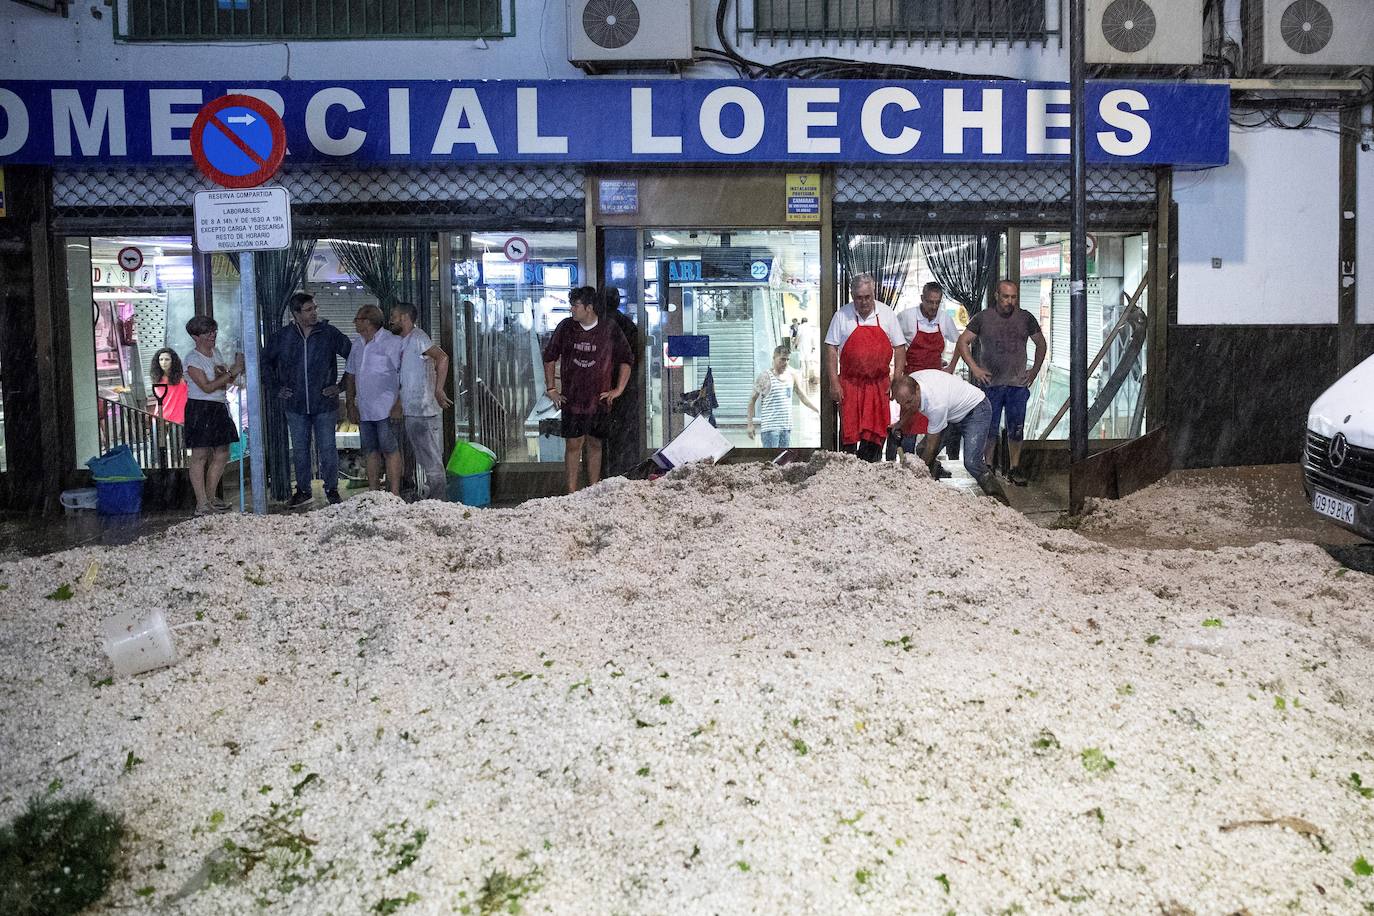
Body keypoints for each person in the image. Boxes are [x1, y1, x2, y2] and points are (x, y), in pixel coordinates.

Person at [262, 292, 352, 508]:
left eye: (315, 308)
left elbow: (354, 357)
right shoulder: (283, 337)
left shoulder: (328, 333)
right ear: (296, 314)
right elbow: (264, 363)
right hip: (295, 404)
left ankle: (332, 489)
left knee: (328, 448)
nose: (314, 313)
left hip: (324, 404)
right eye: (309, 310)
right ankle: (303, 490)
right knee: (300, 449)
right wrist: (275, 388)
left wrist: (339, 386)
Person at [955, 280, 1047, 486]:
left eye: (1013, 297)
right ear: (997, 295)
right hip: (991, 384)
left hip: (1016, 384)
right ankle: (988, 466)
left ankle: (1014, 467)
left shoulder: (1025, 318)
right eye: (1006, 297)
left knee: (1016, 428)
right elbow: (962, 342)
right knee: (990, 428)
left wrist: (1034, 371)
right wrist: (975, 369)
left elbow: (1041, 344)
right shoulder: (983, 318)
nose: (1010, 301)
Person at [542, 285, 633, 494]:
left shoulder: (609, 329)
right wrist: (551, 388)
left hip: (599, 400)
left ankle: (593, 489)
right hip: (572, 399)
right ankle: (572, 492)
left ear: (589, 308)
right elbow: (550, 356)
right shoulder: (566, 327)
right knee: (573, 445)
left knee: (595, 444)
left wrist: (618, 389)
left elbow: (626, 359)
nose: (572, 310)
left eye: (575, 306)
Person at [824, 274, 907, 462]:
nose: (863, 302)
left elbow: (900, 348)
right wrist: (834, 382)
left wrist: (897, 380)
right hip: (850, 385)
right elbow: (831, 348)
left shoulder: (887, 314)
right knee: (849, 436)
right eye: (859, 298)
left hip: (878, 386)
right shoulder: (841, 316)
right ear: (853, 296)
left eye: (867, 297)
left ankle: (871, 472)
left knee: (875, 436)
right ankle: (847, 476)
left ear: (874, 293)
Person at [890, 370, 1006, 502]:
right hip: (952, 412)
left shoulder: (935, 404)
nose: (906, 406)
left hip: (977, 409)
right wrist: (900, 423)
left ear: (917, 389)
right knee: (921, 449)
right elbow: (910, 406)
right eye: (901, 403)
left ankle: (1000, 500)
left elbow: (932, 447)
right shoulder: (912, 383)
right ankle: (933, 489)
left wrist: (918, 474)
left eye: (909, 401)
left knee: (972, 462)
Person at [893, 281, 964, 468]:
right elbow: (895, 345)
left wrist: (951, 366)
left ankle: (930, 465)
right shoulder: (906, 318)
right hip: (912, 381)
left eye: (937, 302)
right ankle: (906, 465)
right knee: (909, 426)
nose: (933, 307)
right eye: (930, 302)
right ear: (922, 299)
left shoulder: (944, 319)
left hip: (936, 383)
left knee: (937, 425)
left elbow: (961, 342)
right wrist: (896, 376)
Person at [390, 301, 453, 501]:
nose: (391, 320)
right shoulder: (405, 341)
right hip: (413, 410)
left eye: (394, 316)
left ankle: (438, 503)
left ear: (404, 318)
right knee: (426, 460)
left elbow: (442, 358)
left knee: (432, 462)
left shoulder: (418, 338)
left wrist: (438, 389)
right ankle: (432, 500)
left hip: (424, 411)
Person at [181, 316, 242, 516]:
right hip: (201, 407)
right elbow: (206, 387)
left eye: (213, 331)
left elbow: (220, 380)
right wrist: (232, 372)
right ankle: (201, 502)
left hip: (218, 405)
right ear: (195, 336)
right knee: (199, 454)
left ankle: (211, 496)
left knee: (222, 452)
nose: (212, 336)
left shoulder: (215, 354)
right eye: (207, 333)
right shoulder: (192, 359)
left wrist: (231, 375)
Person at [343, 305, 406, 497]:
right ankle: (373, 493)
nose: (355, 323)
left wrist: (398, 403)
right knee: (370, 450)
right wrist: (350, 403)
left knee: (390, 449)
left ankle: (394, 493)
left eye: (358, 319)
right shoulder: (357, 344)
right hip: (365, 408)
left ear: (368, 321)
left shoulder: (392, 342)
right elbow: (351, 375)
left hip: (386, 408)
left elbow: (403, 374)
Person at [600, 285, 641, 478]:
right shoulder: (627, 324)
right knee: (624, 434)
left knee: (603, 435)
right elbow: (635, 356)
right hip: (626, 386)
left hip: (603, 386)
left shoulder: (599, 325)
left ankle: (606, 473)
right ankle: (625, 472)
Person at [747, 344, 818, 448]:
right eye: (782, 359)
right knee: (771, 461)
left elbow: (802, 396)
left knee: (783, 462)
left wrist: (817, 410)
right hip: (770, 430)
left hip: (786, 428)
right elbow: (752, 401)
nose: (785, 363)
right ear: (774, 358)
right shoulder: (765, 377)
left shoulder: (791, 375)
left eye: (788, 360)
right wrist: (750, 424)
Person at [148, 348, 187, 425]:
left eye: (167, 359)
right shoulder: (157, 379)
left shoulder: (182, 379)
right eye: (161, 359)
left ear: (173, 361)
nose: (163, 362)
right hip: (161, 418)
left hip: (179, 419)